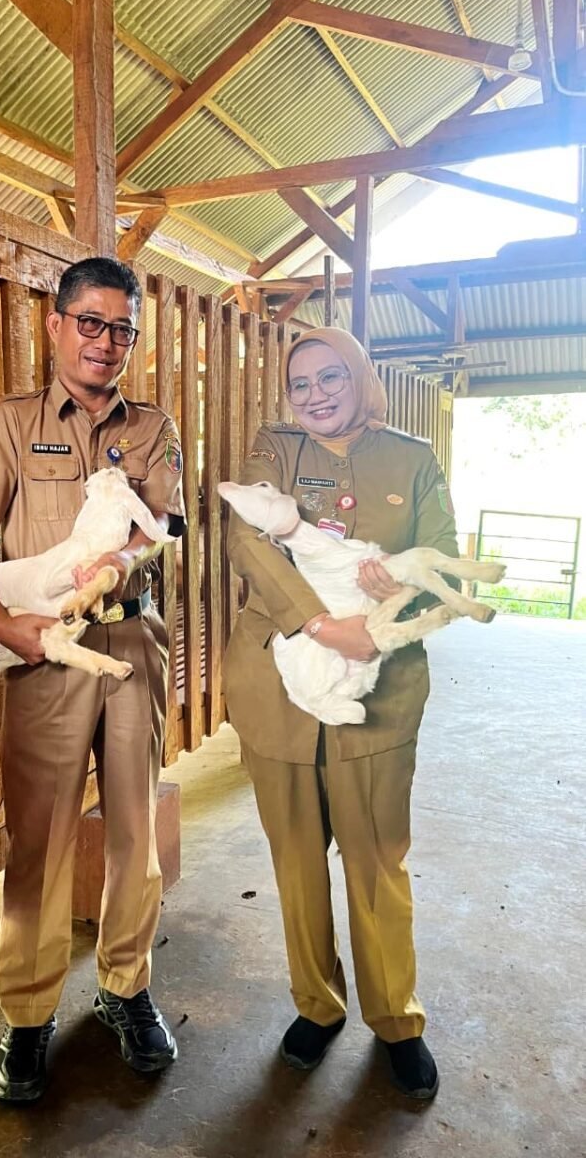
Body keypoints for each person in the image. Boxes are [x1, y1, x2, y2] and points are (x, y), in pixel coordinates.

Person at [0, 257, 185, 1104]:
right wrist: (1, 621)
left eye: (123, 330)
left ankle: (125, 987)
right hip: (48, 651)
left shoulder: (152, 428)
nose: (106, 343)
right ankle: (30, 1014)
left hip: (132, 643)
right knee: (39, 838)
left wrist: (121, 562)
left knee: (133, 829)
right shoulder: (11, 424)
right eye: (92, 323)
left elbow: (158, 525)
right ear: (57, 325)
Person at [223, 326, 458, 1101]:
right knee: (296, 861)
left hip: (380, 693)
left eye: (332, 377)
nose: (316, 394)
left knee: (377, 859)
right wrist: (322, 624)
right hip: (279, 686)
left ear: (361, 377)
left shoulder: (412, 459)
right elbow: (250, 540)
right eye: (301, 383)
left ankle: (396, 1020)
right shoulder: (274, 449)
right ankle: (317, 1006)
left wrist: (391, 608)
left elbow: (442, 557)